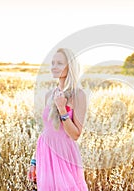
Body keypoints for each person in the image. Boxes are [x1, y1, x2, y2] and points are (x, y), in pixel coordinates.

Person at [27, 48, 89, 191]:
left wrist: (62, 109)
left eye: (59, 63)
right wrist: (34, 160)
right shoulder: (49, 94)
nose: (54, 66)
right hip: (45, 151)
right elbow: (46, 130)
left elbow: (75, 135)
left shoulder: (78, 95)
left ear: (70, 67)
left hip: (64, 153)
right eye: (53, 63)